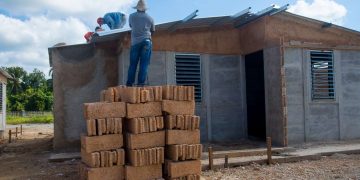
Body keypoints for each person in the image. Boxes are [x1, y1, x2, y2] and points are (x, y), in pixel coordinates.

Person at [126, 0, 155, 87]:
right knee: (144, 64)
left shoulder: (131, 16)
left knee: (133, 64)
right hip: (147, 42)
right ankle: (140, 84)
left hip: (135, 43)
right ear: (145, 9)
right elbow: (153, 31)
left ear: (137, 8)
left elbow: (131, 26)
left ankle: (129, 84)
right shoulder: (150, 18)